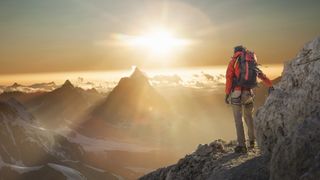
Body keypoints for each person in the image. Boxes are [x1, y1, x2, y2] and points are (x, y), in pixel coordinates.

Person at [225, 45, 274, 153]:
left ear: (235, 51)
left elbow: (229, 77)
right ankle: (252, 141)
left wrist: (227, 94)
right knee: (248, 117)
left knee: (238, 119)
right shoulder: (250, 60)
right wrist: (270, 84)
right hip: (248, 93)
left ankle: (242, 145)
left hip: (236, 93)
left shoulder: (234, 61)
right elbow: (260, 74)